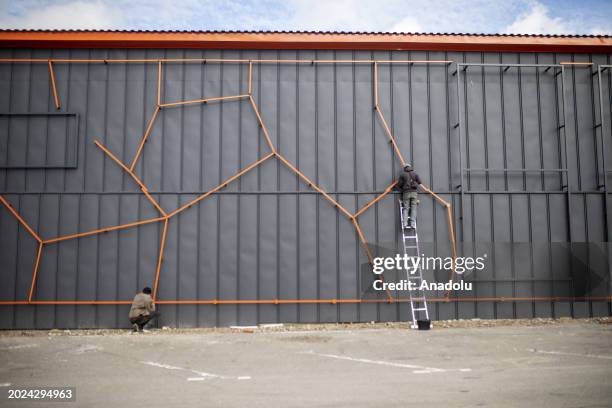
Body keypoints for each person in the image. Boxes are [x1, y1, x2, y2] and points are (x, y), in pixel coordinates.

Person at [394, 164, 422, 229]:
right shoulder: (415, 174)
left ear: (405, 168)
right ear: (410, 167)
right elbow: (420, 182)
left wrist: (401, 189)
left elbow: (399, 185)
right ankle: (412, 224)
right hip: (414, 193)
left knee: (406, 208)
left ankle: (405, 223)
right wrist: (414, 184)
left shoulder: (403, 175)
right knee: (413, 208)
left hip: (406, 193)